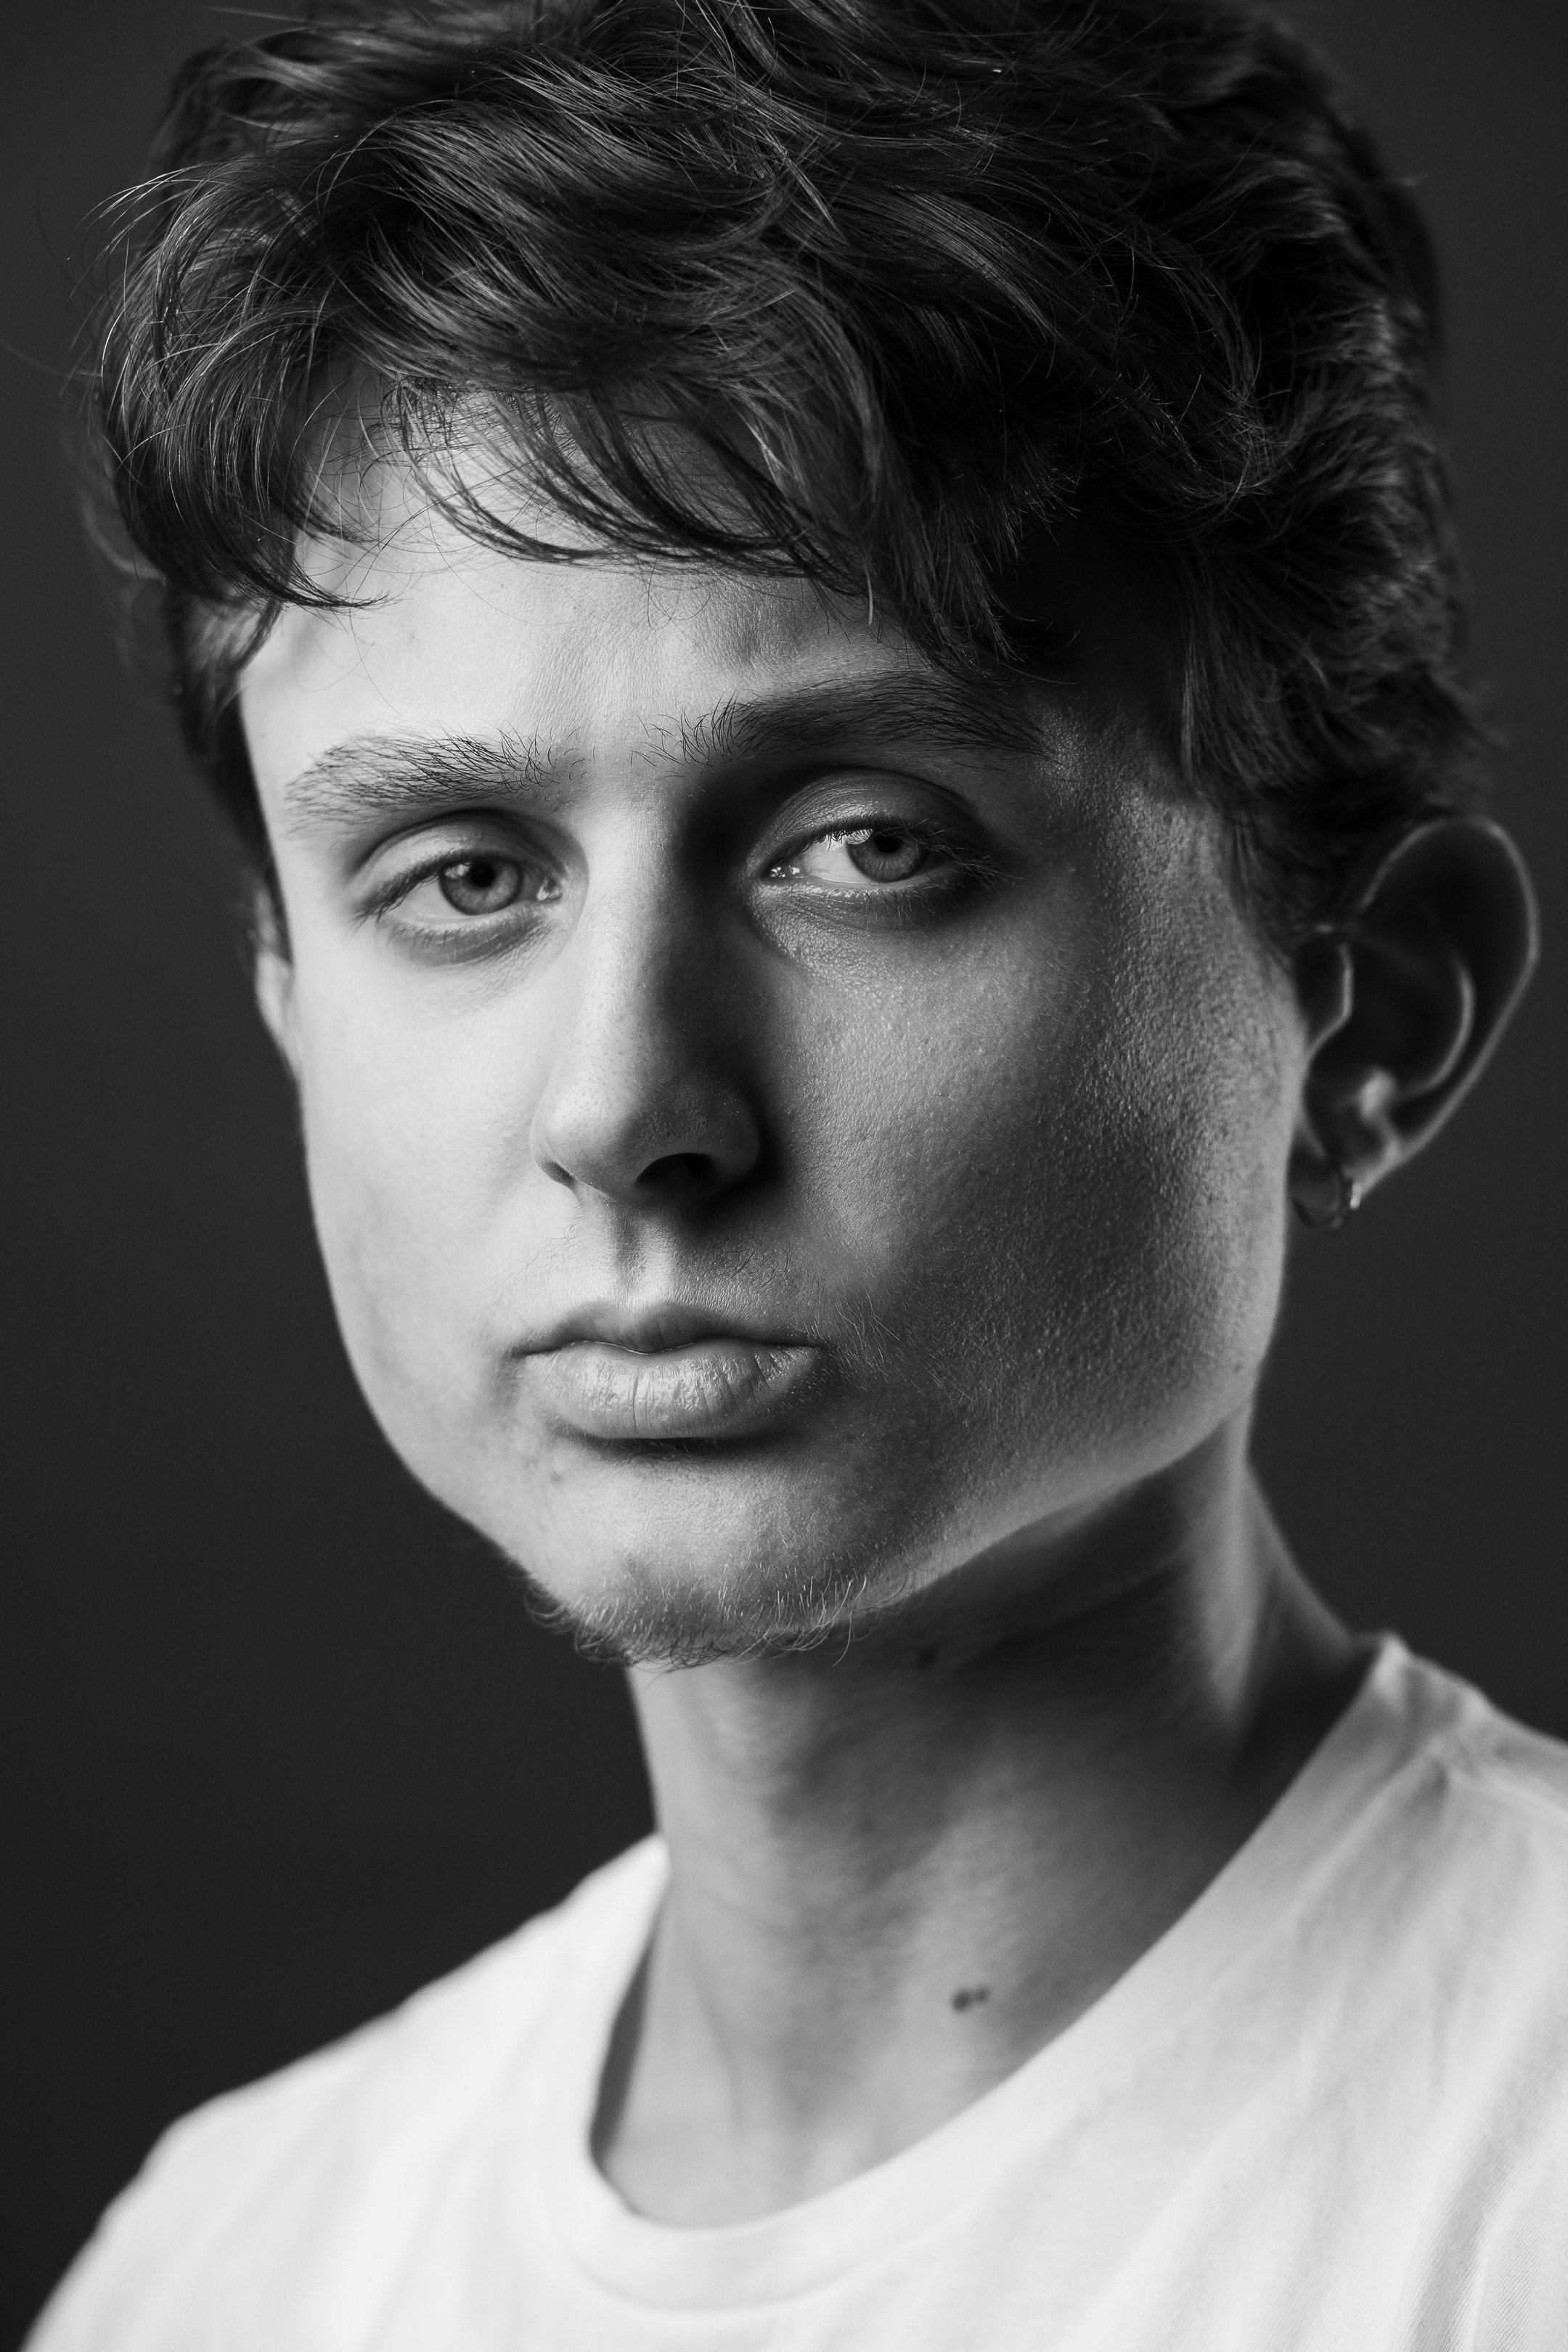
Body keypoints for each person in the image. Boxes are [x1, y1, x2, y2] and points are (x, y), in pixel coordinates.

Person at [29, 0, 1564, 2343]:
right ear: (287, 1004)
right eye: (461, 874)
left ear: (1368, 1009)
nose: (628, 1104)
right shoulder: (227, 2266)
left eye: (868, 842)